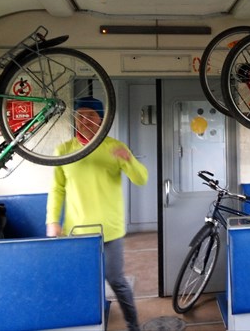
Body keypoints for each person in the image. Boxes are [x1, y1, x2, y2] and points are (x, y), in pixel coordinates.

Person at [46, 96, 148, 331]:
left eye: (91, 115)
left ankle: (133, 325)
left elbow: (141, 179)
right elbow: (57, 189)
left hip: (110, 230)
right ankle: (90, 323)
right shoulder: (63, 151)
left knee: (116, 280)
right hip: (77, 230)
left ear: (101, 119)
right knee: (84, 281)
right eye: (80, 116)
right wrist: (52, 221)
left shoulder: (114, 147)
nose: (84, 120)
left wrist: (129, 160)